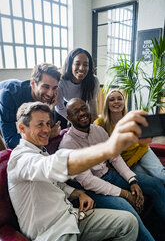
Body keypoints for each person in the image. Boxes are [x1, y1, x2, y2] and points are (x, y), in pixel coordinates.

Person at [7, 101, 149, 241]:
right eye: (40, 124)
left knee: (128, 222)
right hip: (52, 231)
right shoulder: (20, 159)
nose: (46, 130)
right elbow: (54, 165)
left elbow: (55, 184)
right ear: (22, 128)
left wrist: (77, 193)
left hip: (72, 216)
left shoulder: (41, 152)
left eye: (48, 124)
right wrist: (109, 148)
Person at [59, 98, 160, 241]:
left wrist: (132, 181)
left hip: (110, 175)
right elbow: (88, 181)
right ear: (68, 117)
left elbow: (115, 157)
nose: (82, 113)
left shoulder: (98, 130)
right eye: (76, 111)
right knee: (127, 209)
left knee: (155, 184)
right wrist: (124, 194)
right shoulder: (67, 144)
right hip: (91, 189)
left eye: (84, 108)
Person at [94, 89, 165, 183]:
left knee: (161, 175)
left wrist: (129, 163)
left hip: (141, 152)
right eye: (112, 99)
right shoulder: (99, 123)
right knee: (153, 181)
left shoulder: (132, 119)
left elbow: (143, 146)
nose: (116, 102)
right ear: (107, 103)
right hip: (123, 161)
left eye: (120, 99)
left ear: (124, 102)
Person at [0, 63, 61, 148]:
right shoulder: (9, 95)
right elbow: (11, 141)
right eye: (45, 87)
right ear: (32, 83)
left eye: (54, 88)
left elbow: (53, 129)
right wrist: (48, 135)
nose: (50, 94)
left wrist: (50, 108)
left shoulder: (47, 96)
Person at [54, 48, 100, 129]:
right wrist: (75, 121)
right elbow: (59, 107)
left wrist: (94, 125)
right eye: (77, 63)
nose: (81, 68)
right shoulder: (61, 81)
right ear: (70, 65)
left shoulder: (94, 81)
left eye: (85, 65)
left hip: (81, 106)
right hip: (63, 108)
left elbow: (92, 104)